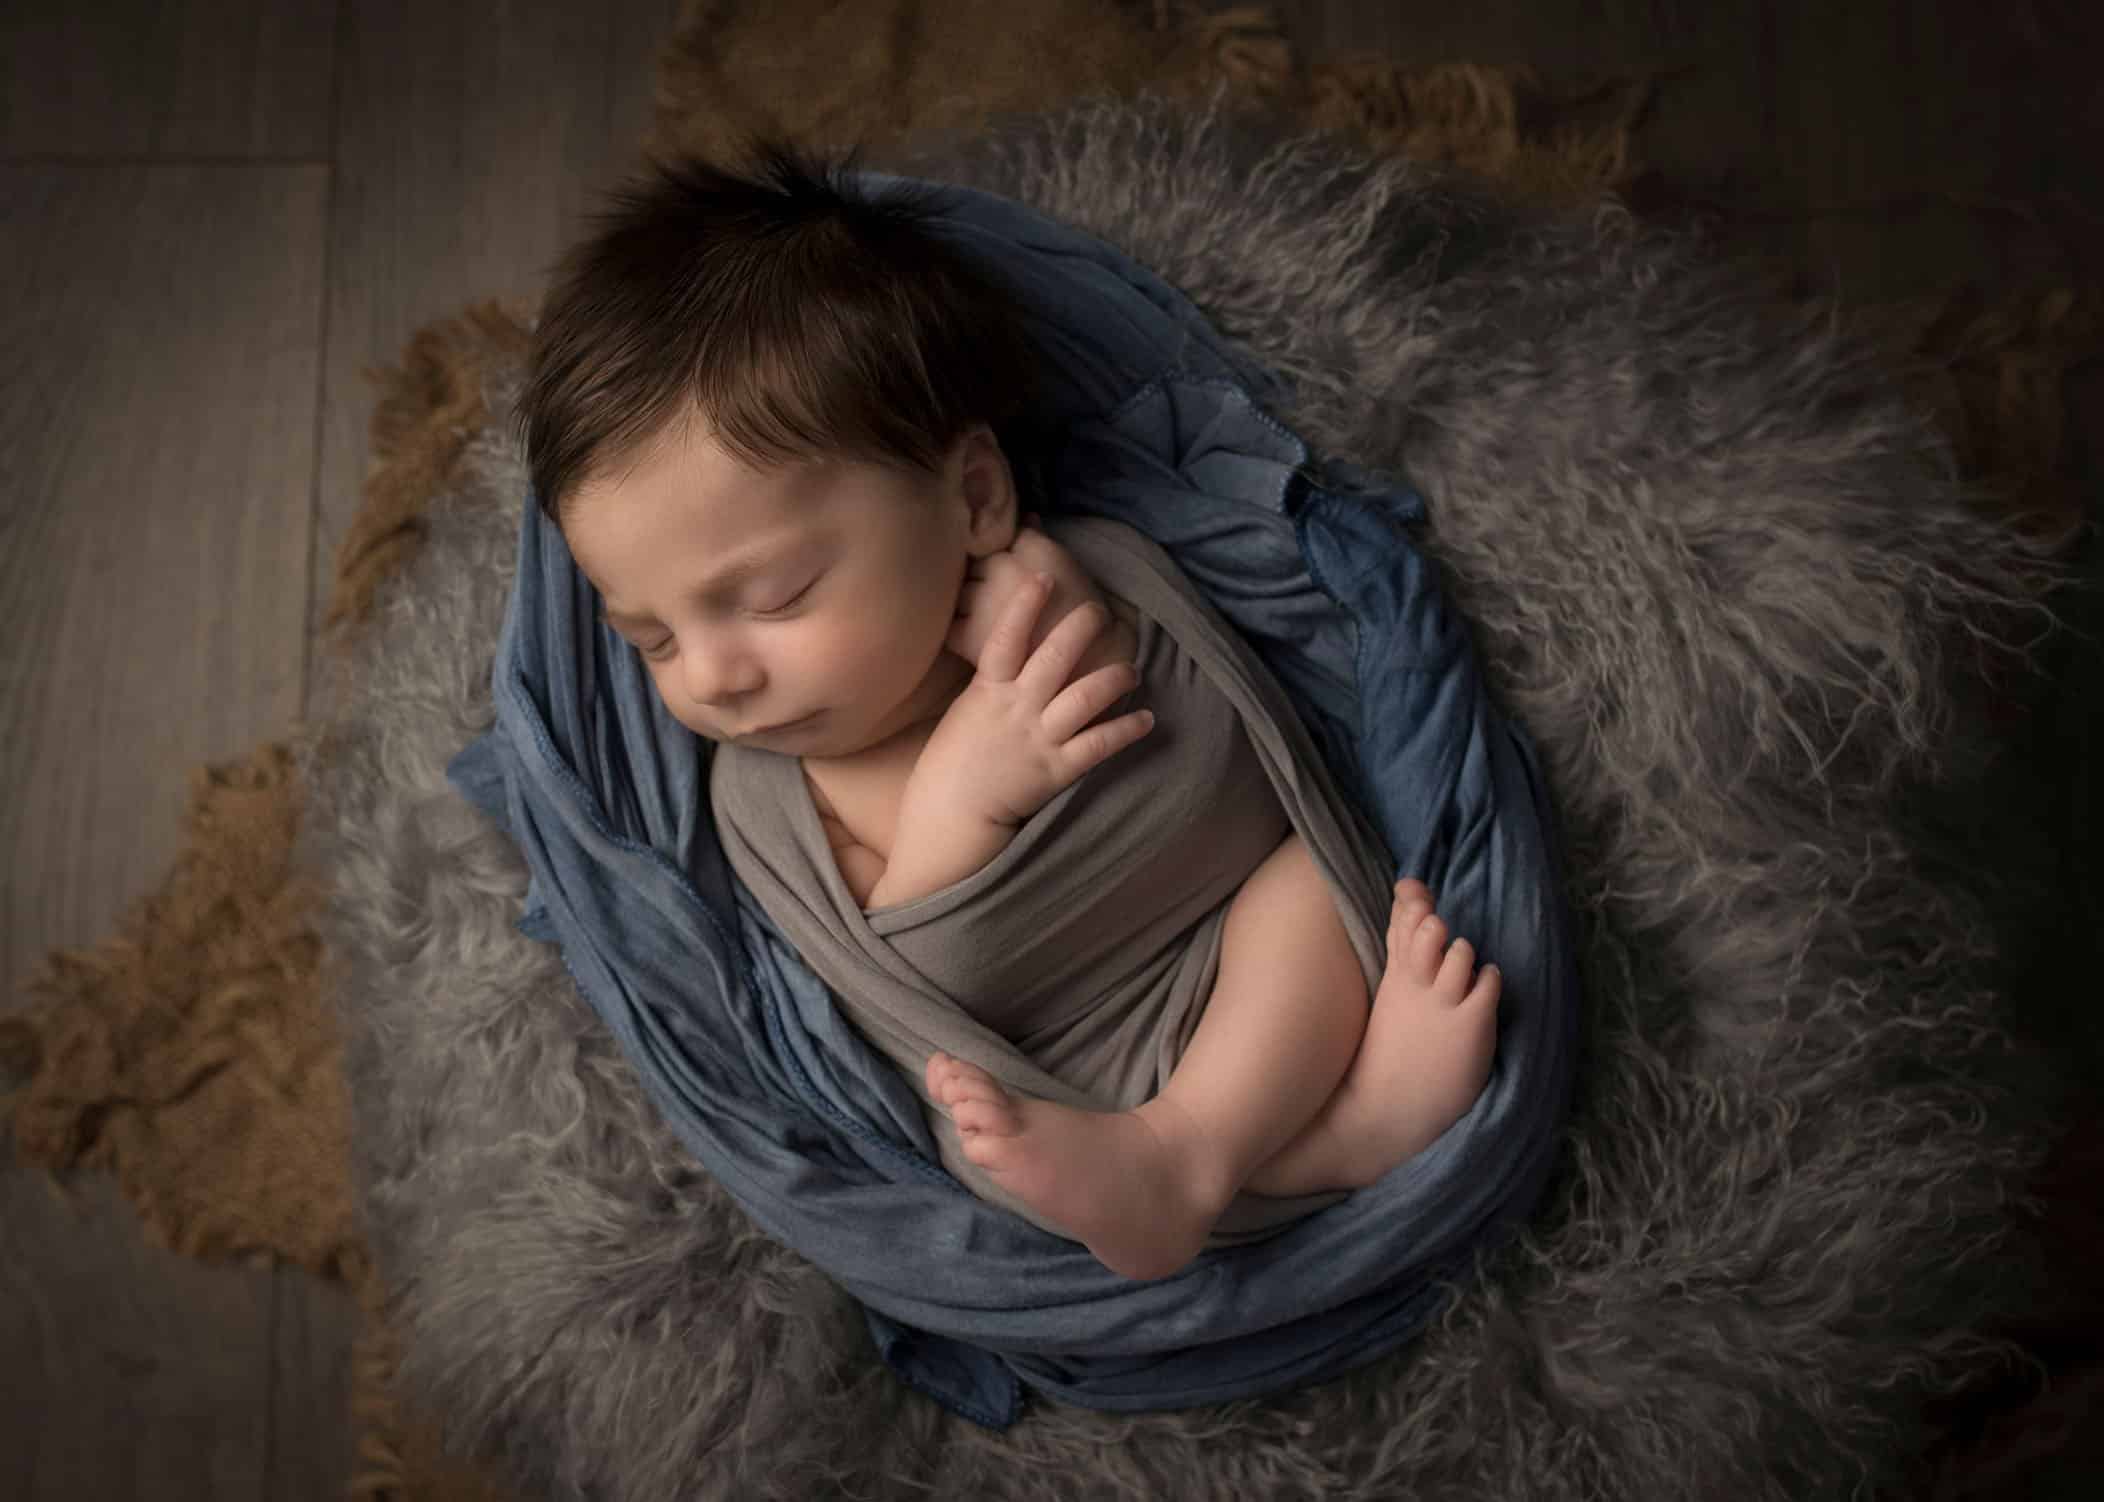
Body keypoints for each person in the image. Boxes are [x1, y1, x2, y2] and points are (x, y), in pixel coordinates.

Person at [517, 137, 1502, 1281]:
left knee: (1309, 890)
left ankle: (1261, 1138)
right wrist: (957, 804)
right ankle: (1262, 1147)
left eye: (774, 596)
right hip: (1062, 1086)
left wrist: (1080, 611)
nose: (711, 677)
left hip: (1242, 967)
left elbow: (1217, 757)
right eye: (650, 638)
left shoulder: (1059, 576)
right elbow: (912, 985)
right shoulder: (766, 796)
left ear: (975, 496)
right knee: (968, 1115)